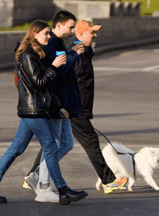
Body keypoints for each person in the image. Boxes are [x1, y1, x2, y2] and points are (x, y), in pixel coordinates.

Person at [0, 20, 87, 205]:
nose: (48, 36)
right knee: (51, 148)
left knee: (16, 149)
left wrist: (58, 106)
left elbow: (46, 86)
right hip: (33, 110)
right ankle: (62, 190)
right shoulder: (28, 55)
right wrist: (53, 66)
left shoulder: (37, 54)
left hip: (33, 109)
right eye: (45, 33)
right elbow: (39, 83)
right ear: (34, 34)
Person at [23, 14, 128, 195]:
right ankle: (108, 181)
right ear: (80, 34)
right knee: (90, 141)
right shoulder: (74, 54)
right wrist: (68, 106)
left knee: (54, 142)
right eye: (91, 33)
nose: (95, 36)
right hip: (73, 108)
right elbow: (65, 79)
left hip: (74, 107)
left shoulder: (82, 52)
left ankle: (33, 175)